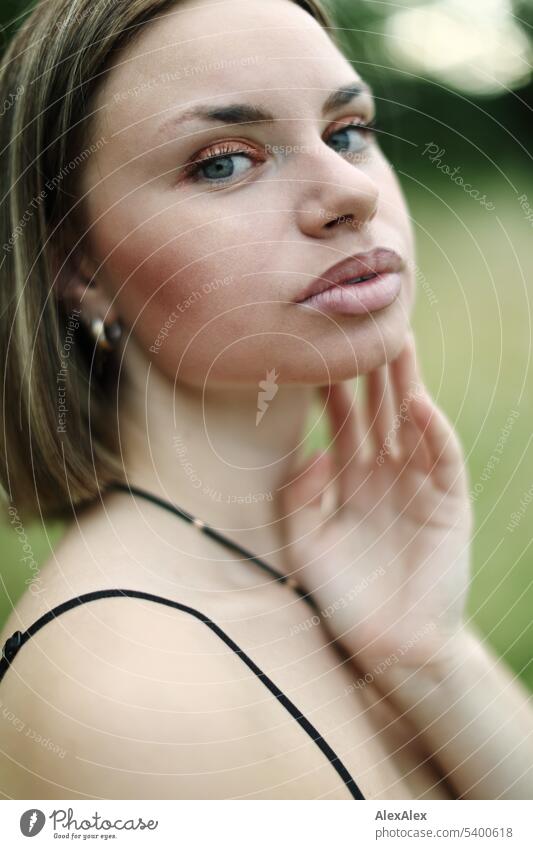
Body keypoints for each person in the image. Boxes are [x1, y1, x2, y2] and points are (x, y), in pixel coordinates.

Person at [0, 0, 531, 801]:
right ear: (80, 268)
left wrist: (432, 656)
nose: (351, 189)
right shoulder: (136, 693)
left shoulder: (328, 587)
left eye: (347, 130)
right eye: (223, 161)